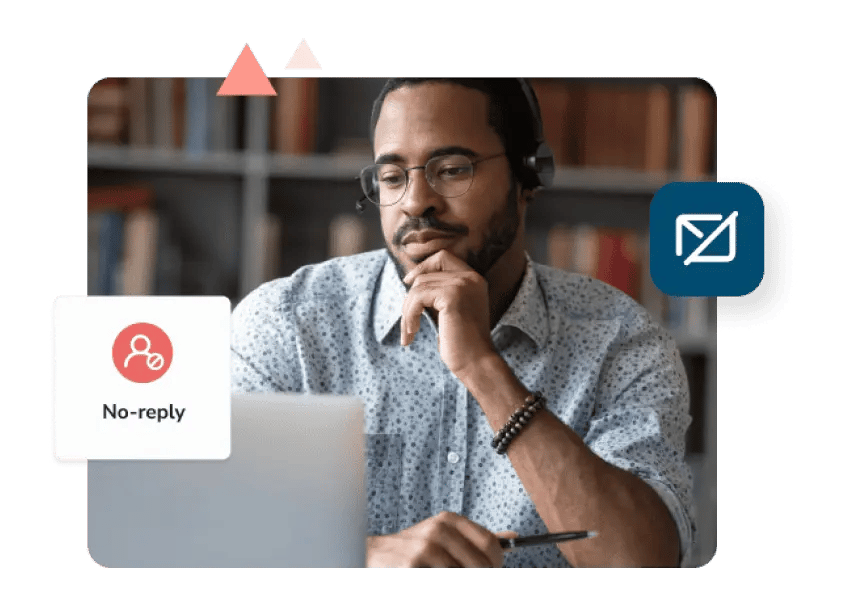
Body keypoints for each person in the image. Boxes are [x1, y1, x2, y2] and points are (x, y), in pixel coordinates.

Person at [231, 78, 695, 568]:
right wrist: (359, 559)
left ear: (528, 176)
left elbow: (641, 564)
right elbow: (204, 534)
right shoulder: (286, 324)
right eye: (392, 177)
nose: (415, 201)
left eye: (451, 170)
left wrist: (482, 367)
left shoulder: (621, 342)